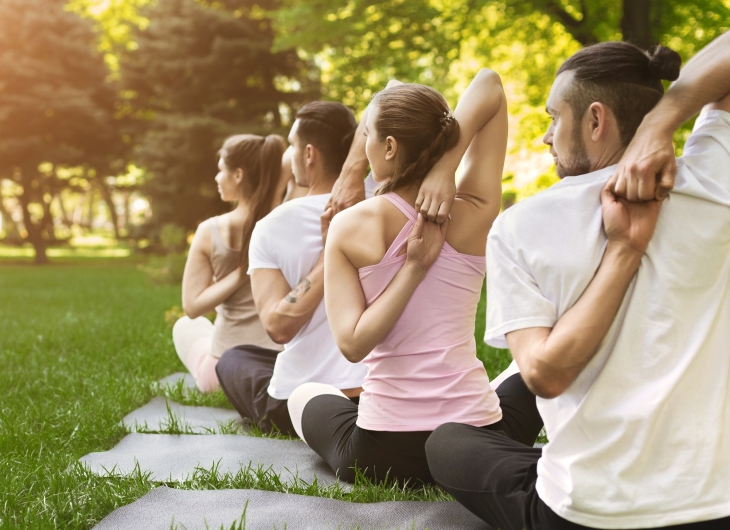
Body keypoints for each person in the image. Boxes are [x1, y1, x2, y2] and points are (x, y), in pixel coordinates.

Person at [425, 34, 730, 530]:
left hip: (589, 516)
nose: (545, 137)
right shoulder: (716, 181)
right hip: (716, 508)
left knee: (449, 442)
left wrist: (624, 250)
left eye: (552, 118)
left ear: (594, 120)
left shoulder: (521, 227)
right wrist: (663, 123)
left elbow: (546, 375)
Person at [286, 70, 542, 487]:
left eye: (367, 135)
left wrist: (412, 269)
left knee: (305, 395)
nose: (365, 147)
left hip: (382, 453)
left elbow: (352, 345)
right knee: (528, 370)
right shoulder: (473, 209)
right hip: (480, 439)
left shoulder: (349, 226)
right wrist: (448, 166)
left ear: (388, 146)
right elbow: (491, 85)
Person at [215, 101, 368, 436]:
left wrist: (331, 255)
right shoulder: (387, 201)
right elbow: (393, 92)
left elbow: (277, 327)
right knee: (252, 355)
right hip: (378, 393)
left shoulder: (272, 225)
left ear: (309, 154)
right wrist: (356, 167)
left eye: (292, 146)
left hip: (302, 403)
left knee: (232, 360)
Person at [173, 134, 286, 393]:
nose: (216, 177)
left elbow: (192, 307)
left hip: (222, 373)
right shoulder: (284, 221)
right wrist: (246, 270)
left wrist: (238, 273)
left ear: (238, 175)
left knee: (186, 326)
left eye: (221, 169)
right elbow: (288, 160)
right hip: (278, 366)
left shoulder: (209, 230)